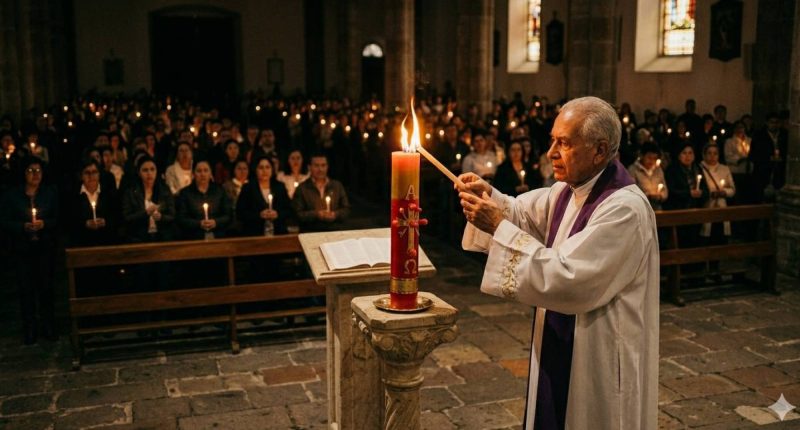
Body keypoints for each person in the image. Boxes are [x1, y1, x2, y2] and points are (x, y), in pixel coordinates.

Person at [458, 96, 658, 429]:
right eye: (552, 140)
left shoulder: (624, 209)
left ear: (599, 150)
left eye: (563, 143)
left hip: (598, 352)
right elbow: (520, 213)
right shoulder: (568, 190)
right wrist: (488, 196)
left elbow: (569, 276)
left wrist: (497, 225)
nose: (551, 152)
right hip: (563, 342)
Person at [0, 157, 59, 344]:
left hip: (44, 248)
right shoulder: (12, 196)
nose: (35, 175)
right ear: (24, 173)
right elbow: (4, 221)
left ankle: (48, 325)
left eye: (38, 170)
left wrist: (44, 224)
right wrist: (22, 226)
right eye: (31, 171)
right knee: (26, 289)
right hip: (23, 250)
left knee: (45, 288)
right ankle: (30, 328)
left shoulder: (49, 193)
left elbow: (58, 218)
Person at [292, 153, 350, 231]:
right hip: (311, 232)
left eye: (323, 165)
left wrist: (335, 214)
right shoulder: (302, 188)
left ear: (327, 167)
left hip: (334, 230)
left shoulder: (337, 186)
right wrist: (317, 214)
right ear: (309, 167)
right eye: (316, 166)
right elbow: (297, 214)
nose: (320, 169)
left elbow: (346, 209)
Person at [237, 155, 292, 236]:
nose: (264, 171)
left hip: (278, 231)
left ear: (272, 169)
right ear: (255, 170)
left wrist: (277, 214)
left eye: (267, 167)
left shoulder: (280, 187)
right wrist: (259, 215)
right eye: (261, 167)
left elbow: (289, 209)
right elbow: (240, 213)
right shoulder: (248, 188)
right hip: (254, 233)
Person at [176, 160, 232, 240]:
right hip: (193, 236)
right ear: (193, 174)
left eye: (206, 170)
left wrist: (215, 222)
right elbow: (181, 218)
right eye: (199, 171)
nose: (202, 174)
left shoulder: (220, 191)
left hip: (218, 235)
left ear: (210, 173)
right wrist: (199, 223)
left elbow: (228, 215)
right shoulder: (185, 193)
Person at [628, 143, 668, 210]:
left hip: (657, 209)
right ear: (642, 156)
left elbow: (665, 191)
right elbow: (631, 192)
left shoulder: (658, 170)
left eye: (654, 158)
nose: (652, 161)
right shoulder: (633, 170)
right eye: (649, 157)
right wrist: (647, 196)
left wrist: (660, 196)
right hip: (640, 209)